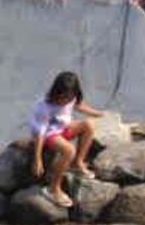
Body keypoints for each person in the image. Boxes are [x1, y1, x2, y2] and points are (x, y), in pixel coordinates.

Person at [29, 72, 104, 207]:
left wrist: (96, 113)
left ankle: (78, 163)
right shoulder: (44, 106)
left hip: (63, 129)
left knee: (88, 125)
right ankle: (53, 188)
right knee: (69, 150)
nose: (65, 101)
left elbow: (79, 105)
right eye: (62, 97)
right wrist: (37, 158)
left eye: (69, 98)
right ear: (56, 92)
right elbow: (40, 133)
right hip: (48, 134)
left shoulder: (72, 97)